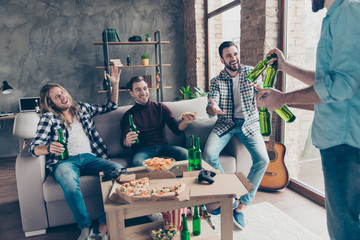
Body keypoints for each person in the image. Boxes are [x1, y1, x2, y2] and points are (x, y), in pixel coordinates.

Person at [256, 1, 360, 239]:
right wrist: (284, 70)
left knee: (343, 228)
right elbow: (328, 82)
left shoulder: (347, 11)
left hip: (344, 145)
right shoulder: (336, 15)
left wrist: (283, 98)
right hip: (341, 141)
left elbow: (341, 86)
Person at [29, 66, 123, 240]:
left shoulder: (82, 109)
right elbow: (34, 148)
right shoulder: (48, 118)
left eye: (63, 92)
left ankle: (103, 226)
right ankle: (84, 227)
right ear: (51, 103)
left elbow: (111, 106)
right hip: (65, 163)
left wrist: (115, 85)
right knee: (70, 184)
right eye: (57, 96)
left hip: (91, 158)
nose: (63, 96)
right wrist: (48, 148)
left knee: (118, 170)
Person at [203, 41, 269, 229]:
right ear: (222, 59)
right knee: (208, 155)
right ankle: (229, 195)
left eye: (235, 54)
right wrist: (212, 107)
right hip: (225, 123)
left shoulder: (252, 72)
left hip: (249, 123)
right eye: (229, 56)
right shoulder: (217, 80)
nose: (234, 58)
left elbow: (262, 91)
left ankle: (241, 206)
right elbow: (212, 99)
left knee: (263, 159)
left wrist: (260, 90)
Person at [120, 76, 196, 167]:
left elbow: (177, 130)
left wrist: (184, 122)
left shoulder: (161, 108)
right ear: (132, 93)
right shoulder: (128, 115)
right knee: (137, 163)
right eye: (138, 90)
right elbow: (124, 144)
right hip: (143, 151)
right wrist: (127, 141)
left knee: (187, 155)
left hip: (164, 147)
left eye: (145, 88)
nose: (143, 92)